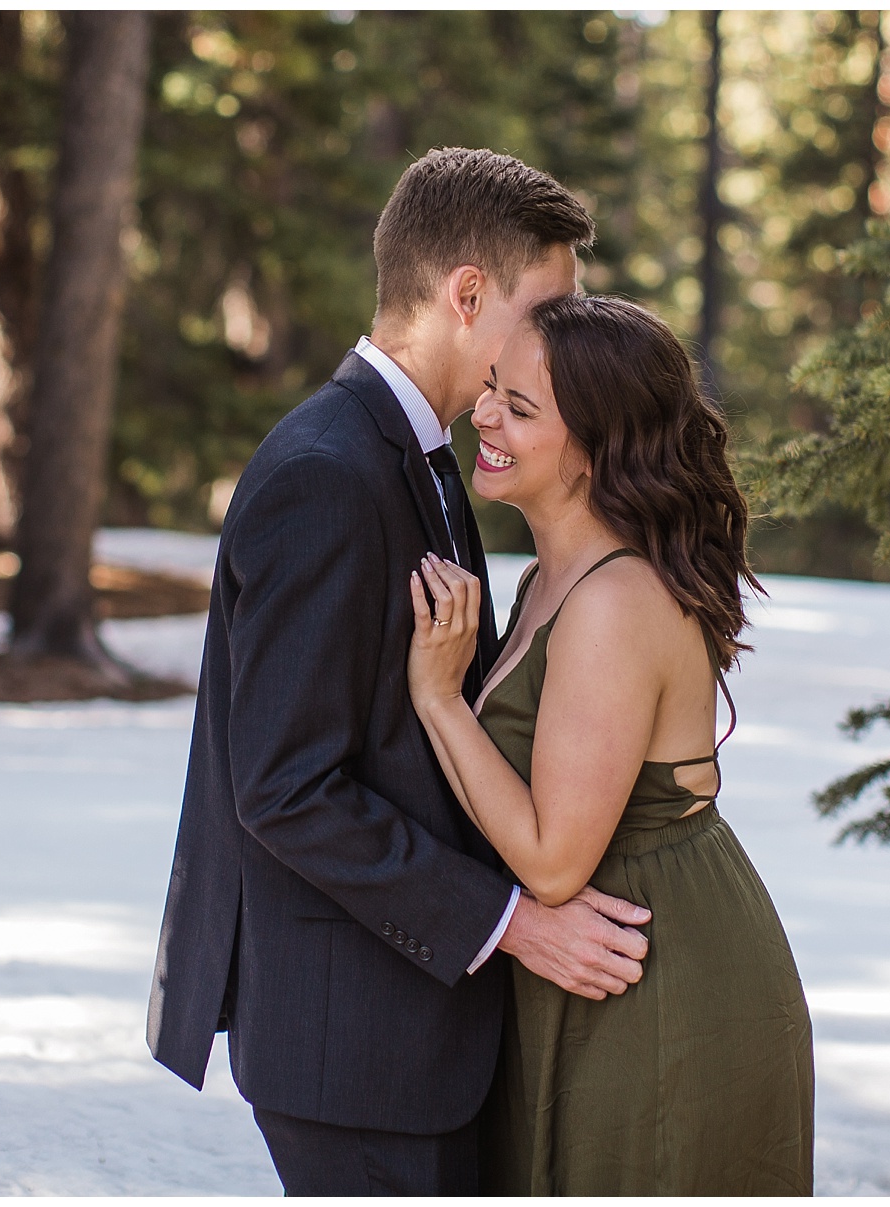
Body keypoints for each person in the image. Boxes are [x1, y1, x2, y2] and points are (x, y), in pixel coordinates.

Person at [145, 149, 657, 1196]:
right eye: (548, 309)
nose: (563, 339)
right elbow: (285, 787)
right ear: (469, 295)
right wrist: (511, 921)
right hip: (356, 1046)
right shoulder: (326, 475)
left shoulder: (411, 454)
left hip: (406, 1034)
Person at [406, 294, 815, 1195]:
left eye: (520, 407)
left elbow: (553, 863)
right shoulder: (553, 572)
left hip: (658, 982)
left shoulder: (611, 601)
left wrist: (439, 699)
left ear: (598, 444)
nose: (484, 417)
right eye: (489, 389)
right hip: (600, 967)